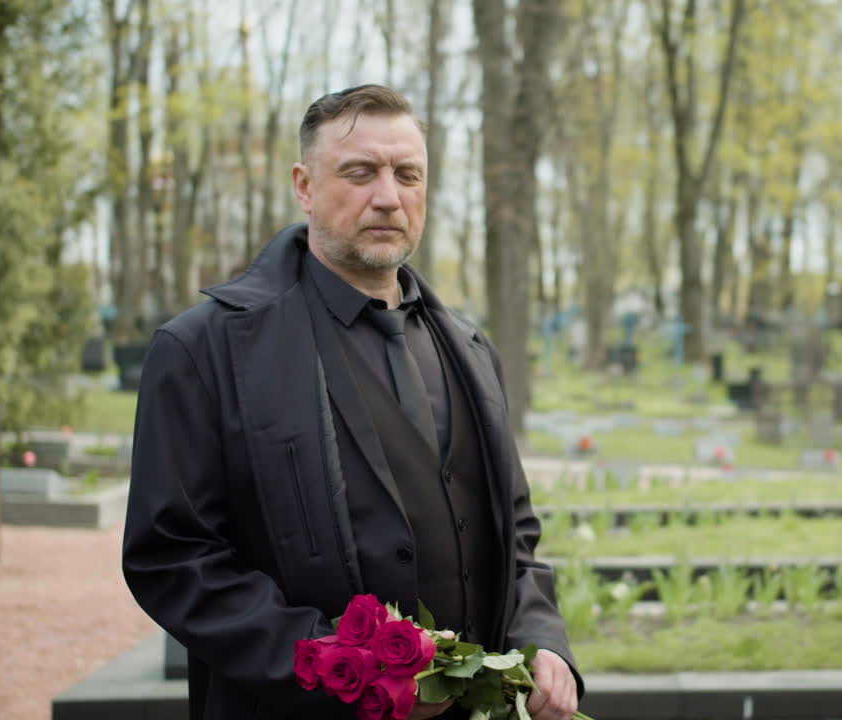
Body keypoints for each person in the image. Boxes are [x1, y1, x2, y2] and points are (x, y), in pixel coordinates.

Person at [122, 84, 581, 720]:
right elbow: (174, 558)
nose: (388, 196)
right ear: (304, 186)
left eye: (407, 174)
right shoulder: (204, 349)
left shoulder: (473, 351)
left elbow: (517, 535)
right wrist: (347, 671)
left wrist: (542, 641)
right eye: (360, 172)